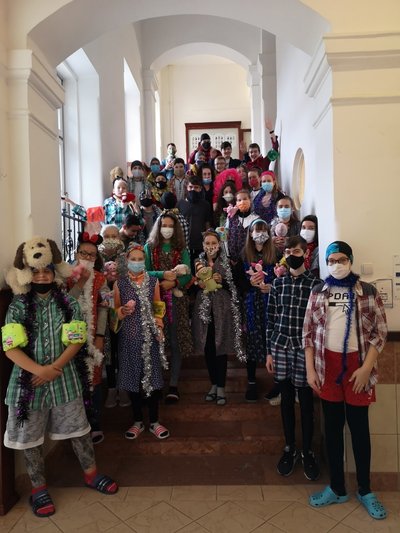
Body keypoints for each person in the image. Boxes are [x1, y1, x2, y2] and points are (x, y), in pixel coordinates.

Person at [2, 241, 118, 518]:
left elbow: (76, 339)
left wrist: (54, 368)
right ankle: (38, 488)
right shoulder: (17, 306)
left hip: (64, 377)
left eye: (47, 271)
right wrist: (38, 370)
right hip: (28, 381)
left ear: (55, 273)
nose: (42, 276)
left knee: (79, 429)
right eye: (36, 271)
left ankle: (91, 473)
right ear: (28, 274)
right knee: (30, 438)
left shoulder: (68, 302)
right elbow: (10, 347)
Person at [304, 241, 387, 520]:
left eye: (341, 259)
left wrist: (366, 368)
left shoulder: (368, 291)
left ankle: (365, 490)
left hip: (357, 366)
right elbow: (308, 333)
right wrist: (310, 370)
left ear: (350, 260)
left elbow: (380, 333)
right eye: (331, 260)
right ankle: (337, 488)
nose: (336, 265)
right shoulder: (318, 291)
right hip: (326, 366)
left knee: (360, 429)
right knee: (332, 428)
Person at [266, 235, 320, 481]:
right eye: (288, 252)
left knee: (306, 401)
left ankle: (308, 451)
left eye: (296, 251)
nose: (291, 255)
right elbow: (271, 318)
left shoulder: (316, 285)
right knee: (286, 399)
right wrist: (269, 351)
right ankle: (290, 448)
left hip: (304, 349)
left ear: (305, 254)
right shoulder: (278, 284)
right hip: (280, 346)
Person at [113, 243, 170, 440]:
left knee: (153, 379)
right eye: (133, 259)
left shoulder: (153, 281)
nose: (137, 262)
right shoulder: (120, 284)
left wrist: (159, 327)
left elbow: (158, 306)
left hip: (150, 338)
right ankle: (137, 421)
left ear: (144, 261)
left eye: (140, 259)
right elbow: (115, 312)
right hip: (129, 338)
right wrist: (122, 311)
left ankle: (154, 421)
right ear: (127, 261)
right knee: (133, 380)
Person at [192, 229, 245, 405]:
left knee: (220, 346)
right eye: (207, 243)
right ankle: (213, 384)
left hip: (222, 309)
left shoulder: (228, 262)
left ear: (219, 244)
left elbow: (236, 286)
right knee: (208, 346)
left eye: (213, 243)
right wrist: (198, 283)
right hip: (203, 309)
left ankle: (221, 386)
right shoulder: (197, 262)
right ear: (203, 245)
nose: (210, 246)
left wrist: (222, 281)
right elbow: (191, 286)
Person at [144, 212, 192, 403]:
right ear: (158, 227)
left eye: (171, 226)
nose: (167, 229)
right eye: (164, 225)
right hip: (154, 300)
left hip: (177, 301)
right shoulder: (149, 247)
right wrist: (162, 275)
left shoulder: (181, 248)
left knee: (175, 341)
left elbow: (187, 273)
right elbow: (144, 272)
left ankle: (173, 384)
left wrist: (174, 283)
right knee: (155, 341)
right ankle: (156, 383)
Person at [68, 232, 109, 445]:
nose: (87, 257)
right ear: (77, 253)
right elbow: (64, 303)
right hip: (69, 338)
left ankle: (95, 423)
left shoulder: (101, 278)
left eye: (92, 254)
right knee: (74, 378)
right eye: (83, 253)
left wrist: (100, 335)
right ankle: (76, 425)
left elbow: (104, 306)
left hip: (94, 337)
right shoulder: (66, 276)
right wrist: (80, 282)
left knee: (95, 379)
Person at [234, 219, 276, 402]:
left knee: (272, 339)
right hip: (251, 304)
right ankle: (251, 381)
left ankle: (277, 381)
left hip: (270, 304)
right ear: (250, 234)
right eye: (257, 230)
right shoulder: (243, 256)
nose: (260, 234)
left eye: (264, 230)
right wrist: (249, 283)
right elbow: (237, 282)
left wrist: (272, 287)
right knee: (251, 340)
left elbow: (282, 279)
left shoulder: (276, 255)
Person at [68, 177, 138, 229]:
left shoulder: (131, 204)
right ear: (113, 190)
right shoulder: (108, 203)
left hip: (127, 238)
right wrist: (71, 203)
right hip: (111, 237)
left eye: (124, 188)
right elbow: (90, 215)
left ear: (127, 191)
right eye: (118, 187)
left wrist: (136, 209)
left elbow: (139, 222)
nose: (121, 190)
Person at [177, 176, 212, 270]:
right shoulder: (180, 204)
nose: (193, 189)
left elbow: (207, 224)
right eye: (191, 187)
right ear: (187, 188)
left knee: (200, 270)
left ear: (200, 189)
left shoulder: (206, 205)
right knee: (186, 270)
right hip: (185, 245)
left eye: (196, 187)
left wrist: (208, 242)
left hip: (200, 245)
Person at [226, 189, 259, 263]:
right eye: (239, 200)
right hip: (234, 260)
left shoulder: (256, 219)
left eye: (245, 199)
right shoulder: (231, 218)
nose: (242, 202)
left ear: (250, 200)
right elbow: (227, 236)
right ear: (236, 203)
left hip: (251, 259)